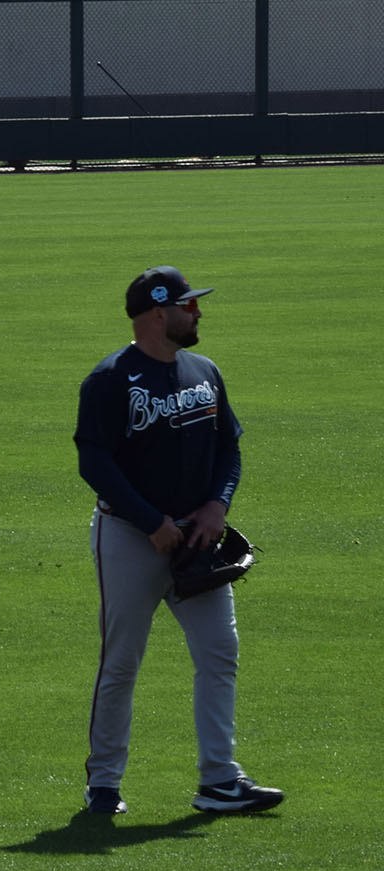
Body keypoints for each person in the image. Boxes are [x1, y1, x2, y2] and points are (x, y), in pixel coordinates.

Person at [73, 267, 284, 816]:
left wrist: (218, 505)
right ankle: (104, 785)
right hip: (128, 537)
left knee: (220, 655)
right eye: (189, 306)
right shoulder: (110, 379)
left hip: (196, 540)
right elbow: (94, 461)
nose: (199, 313)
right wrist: (151, 522)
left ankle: (219, 781)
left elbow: (229, 448)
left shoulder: (204, 371)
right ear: (158, 313)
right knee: (121, 662)